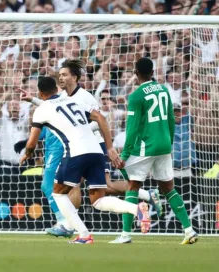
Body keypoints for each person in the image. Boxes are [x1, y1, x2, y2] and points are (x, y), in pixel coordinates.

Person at [19, 59, 161, 238]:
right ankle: (138, 209)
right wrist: (109, 147)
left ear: (74, 77)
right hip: (94, 150)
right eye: (60, 76)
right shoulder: (70, 100)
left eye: (64, 74)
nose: (61, 78)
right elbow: (96, 117)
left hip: (78, 150)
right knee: (98, 198)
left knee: (58, 193)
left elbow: (33, 140)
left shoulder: (82, 97)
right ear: (56, 89)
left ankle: (78, 231)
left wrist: (27, 154)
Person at [110, 58, 198, 245]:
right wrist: (170, 141)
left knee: (132, 186)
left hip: (145, 147)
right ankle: (189, 230)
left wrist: (124, 155)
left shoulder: (136, 96)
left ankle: (125, 234)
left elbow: (132, 128)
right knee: (169, 188)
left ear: (136, 73)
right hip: (164, 145)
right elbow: (171, 118)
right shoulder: (164, 90)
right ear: (152, 72)